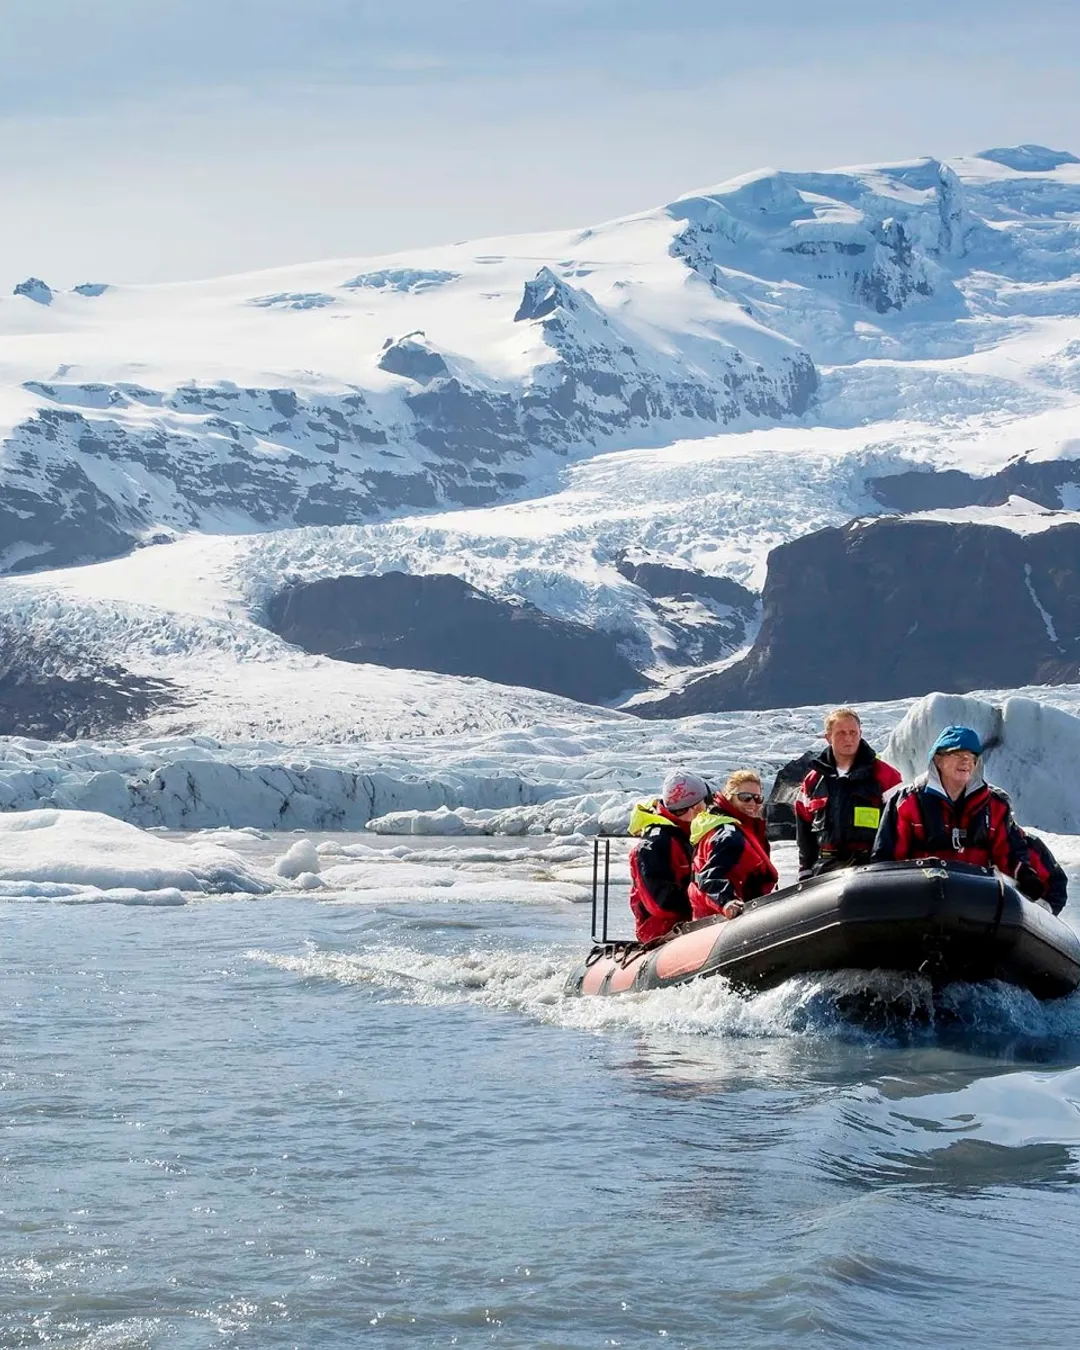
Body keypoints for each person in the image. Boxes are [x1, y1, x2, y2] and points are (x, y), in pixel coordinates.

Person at [870, 725, 1037, 888]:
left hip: (979, 899)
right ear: (938, 759)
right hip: (919, 898)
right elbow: (886, 860)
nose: (966, 760)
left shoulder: (995, 805)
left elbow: (1010, 854)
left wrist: (1025, 876)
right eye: (957, 754)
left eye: (971, 756)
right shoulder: (906, 802)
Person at [796, 706, 902, 880]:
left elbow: (901, 824)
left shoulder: (885, 775)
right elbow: (804, 831)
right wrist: (805, 871)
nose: (848, 738)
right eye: (841, 733)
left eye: (853, 732)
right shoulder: (813, 781)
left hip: (873, 869)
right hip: (824, 871)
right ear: (828, 737)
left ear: (861, 734)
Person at [627, 769, 709, 942]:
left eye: (700, 807)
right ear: (675, 810)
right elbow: (661, 903)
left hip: (698, 922)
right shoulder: (654, 845)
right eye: (685, 810)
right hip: (663, 931)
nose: (696, 815)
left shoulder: (698, 836)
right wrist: (704, 899)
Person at [688, 770, 778, 921]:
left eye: (758, 798)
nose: (752, 803)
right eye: (745, 797)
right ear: (730, 798)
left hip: (721, 917)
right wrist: (727, 901)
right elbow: (710, 876)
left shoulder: (722, 825)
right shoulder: (728, 834)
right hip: (724, 922)